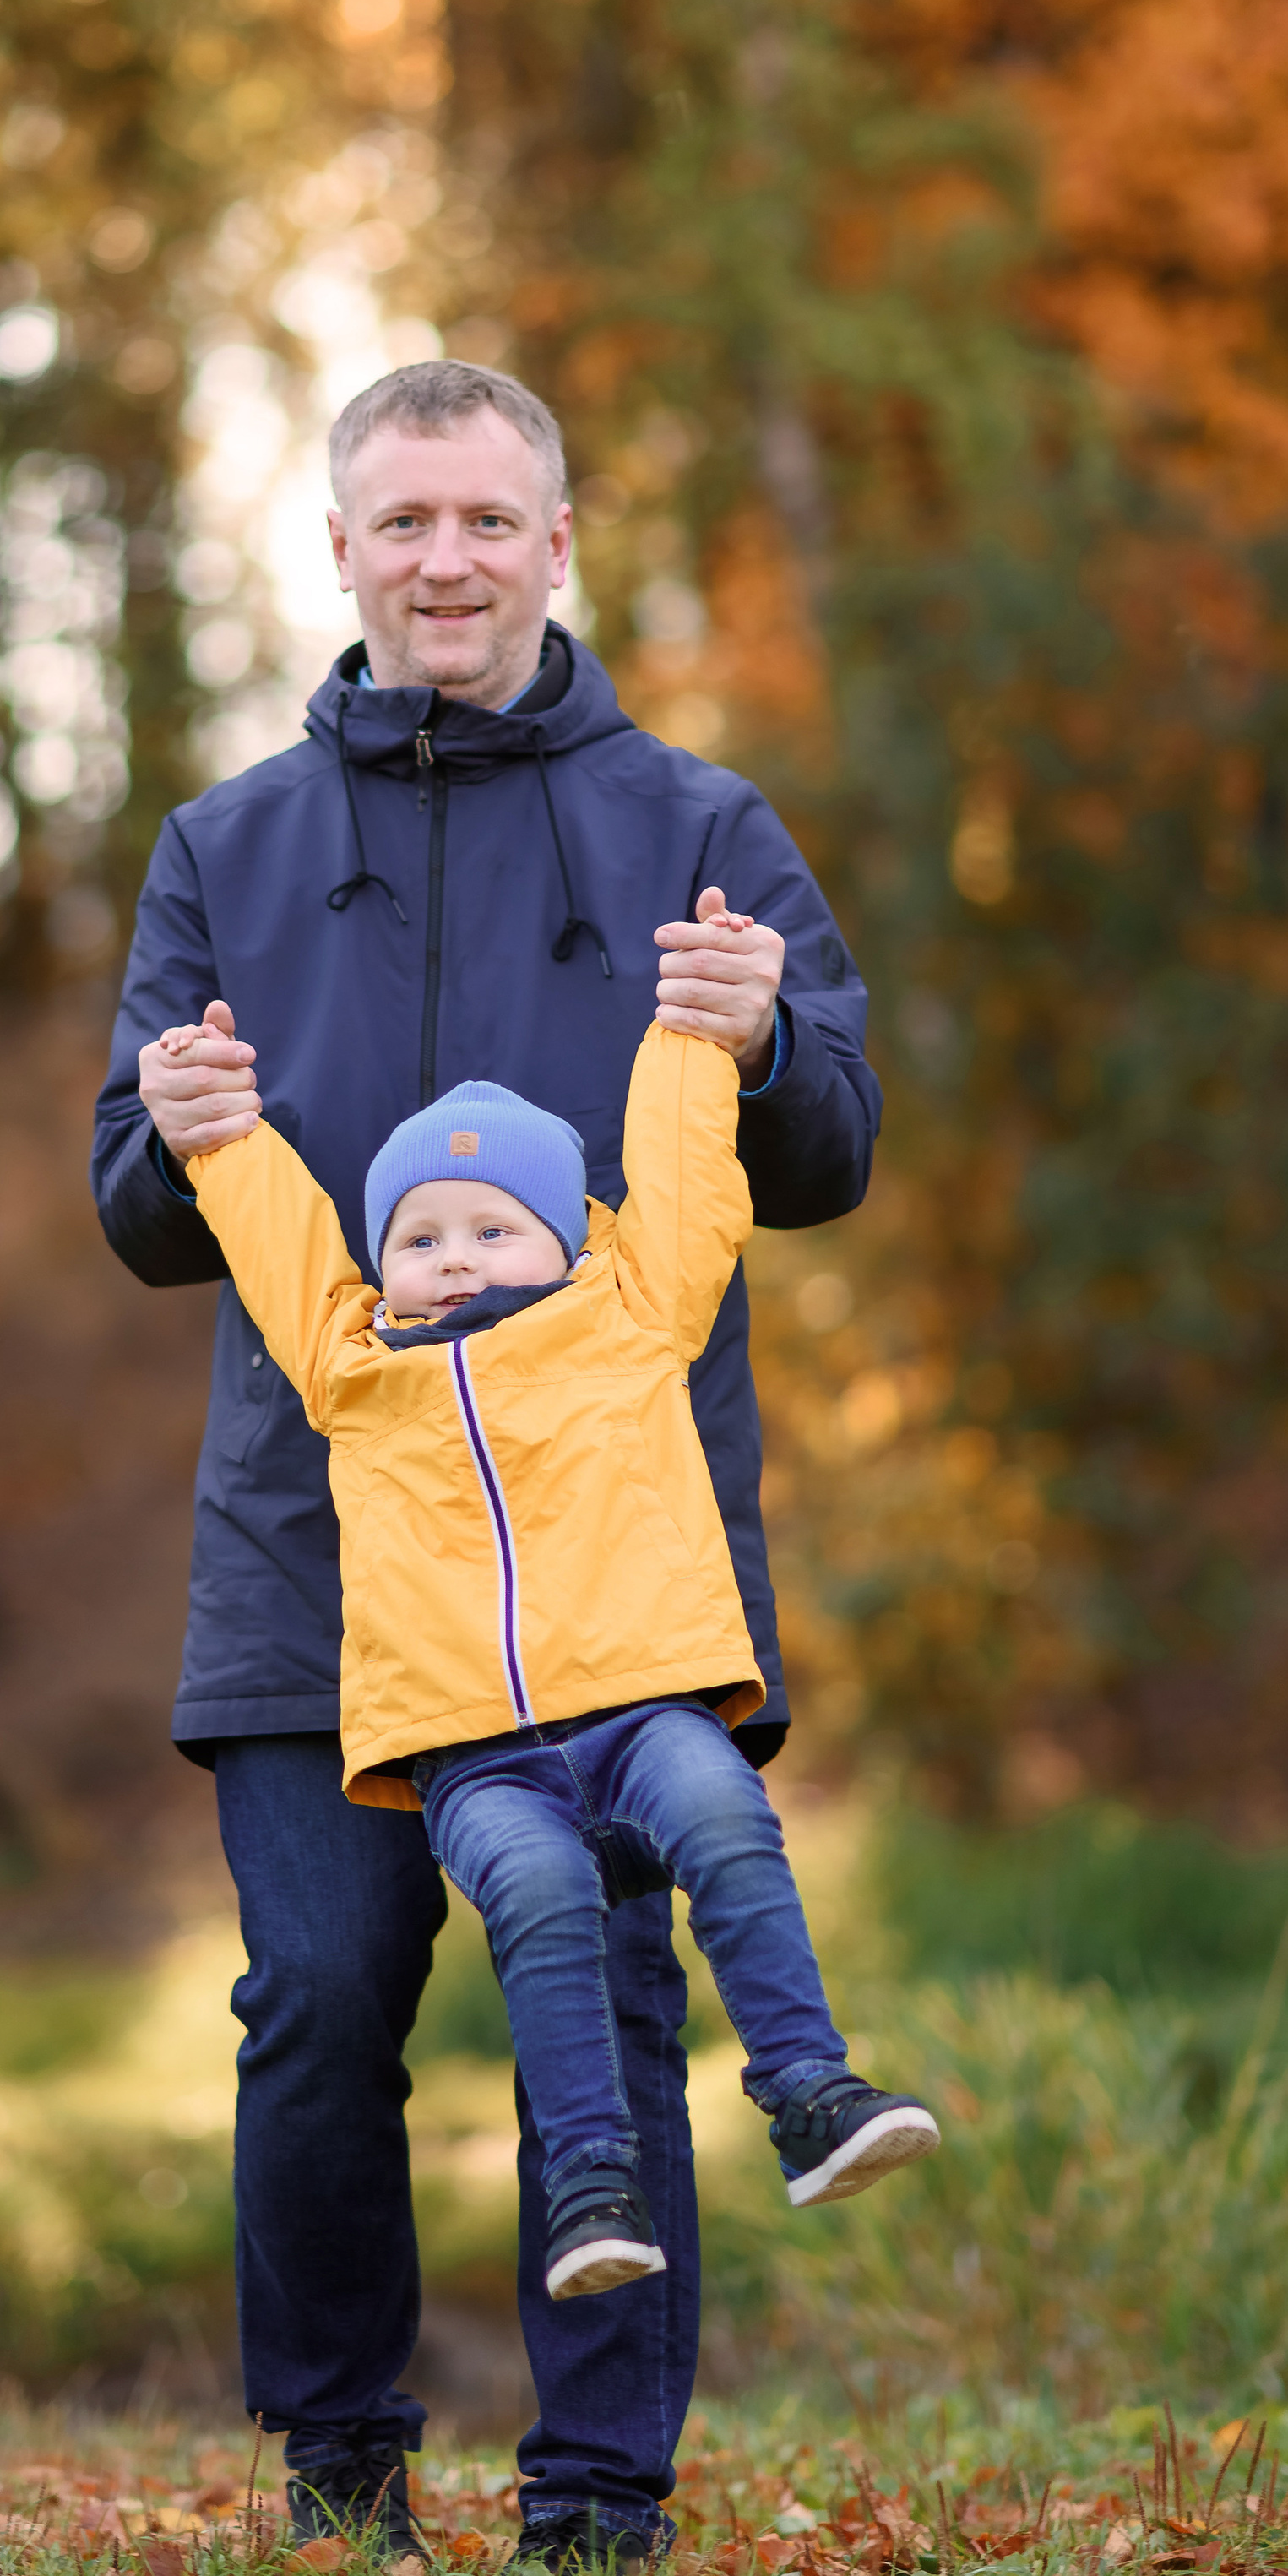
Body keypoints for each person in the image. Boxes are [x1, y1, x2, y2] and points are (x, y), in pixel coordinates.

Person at [91, 358, 881, 2573]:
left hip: (618, 1563)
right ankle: (343, 2471)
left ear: (557, 539)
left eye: (487, 519)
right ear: (341, 550)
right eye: (404, 521)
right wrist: (177, 1115)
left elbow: (828, 1151)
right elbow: (133, 1205)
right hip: (318, 1555)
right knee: (321, 2012)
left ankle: (601, 2503)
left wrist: (762, 1046)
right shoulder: (220, 849)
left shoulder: (703, 828)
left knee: (608, 2015)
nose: (447, 558)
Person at [149, 981, 937, 2307]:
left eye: (493, 1226)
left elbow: (688, 1180)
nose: (453, 1254)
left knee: (729, 1823)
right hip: (473, 1754)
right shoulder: (354, 1368)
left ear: (571, 1239)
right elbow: (284, 1241)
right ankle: (590, 2180)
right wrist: (218, 1132)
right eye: (419, 1233)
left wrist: (693, 1033)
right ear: (382, 1261)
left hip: (644, 1710)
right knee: (541, 1896)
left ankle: (807, 2085)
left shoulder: (630, 1317)